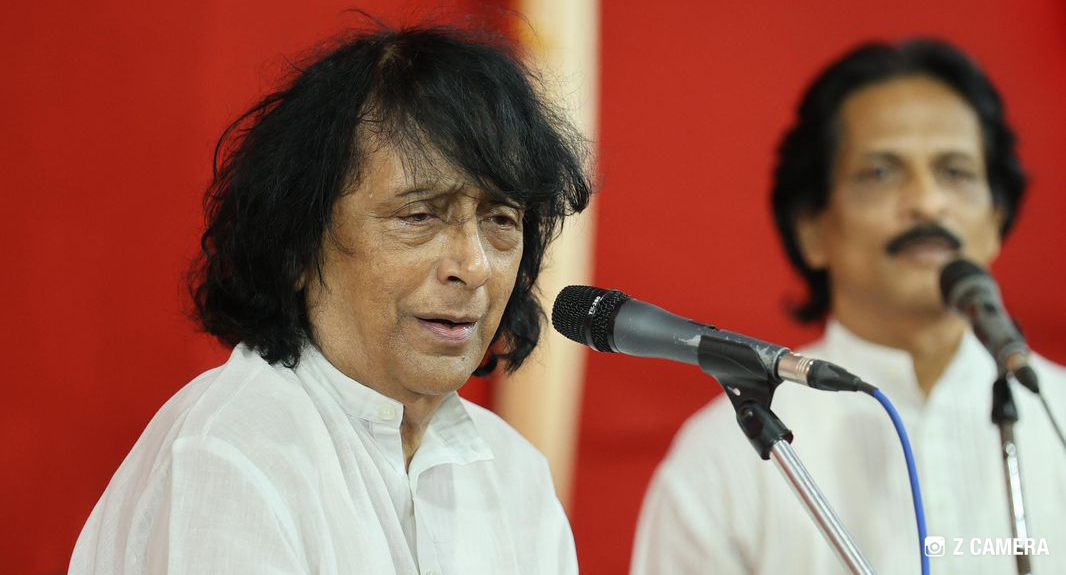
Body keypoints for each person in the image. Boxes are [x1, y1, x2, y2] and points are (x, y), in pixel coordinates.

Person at [70, 23, 592, 575]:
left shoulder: (515, 476)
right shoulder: (230, 454)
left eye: (501, 220)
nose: (475, 266)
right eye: (419, 215)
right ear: (296, 245)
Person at [631, 39, 1066, 575]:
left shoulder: (1057, 416)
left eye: (956, 172)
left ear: (996, 220)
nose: (928, 202)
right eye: (880, 173)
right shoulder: (727, 454)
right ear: (812, 228)